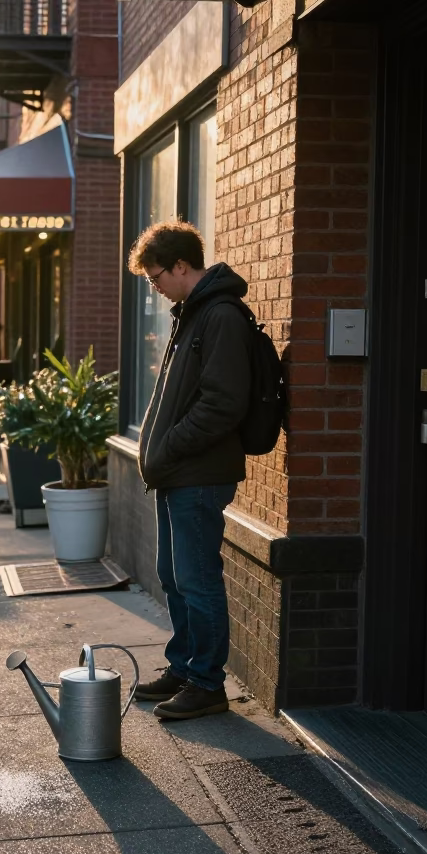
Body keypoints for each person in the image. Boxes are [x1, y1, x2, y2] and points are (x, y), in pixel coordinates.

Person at [127, 220, 251, 722]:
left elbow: (223, 403)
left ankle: (206, 682)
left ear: (181, 266)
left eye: (156, 277)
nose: (154, 288)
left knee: (197, 580)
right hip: (178, 472)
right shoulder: (191, 315)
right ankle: (183, 667)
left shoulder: (220, 316)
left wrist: (171, 446)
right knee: (173, 576)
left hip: (198, 472)